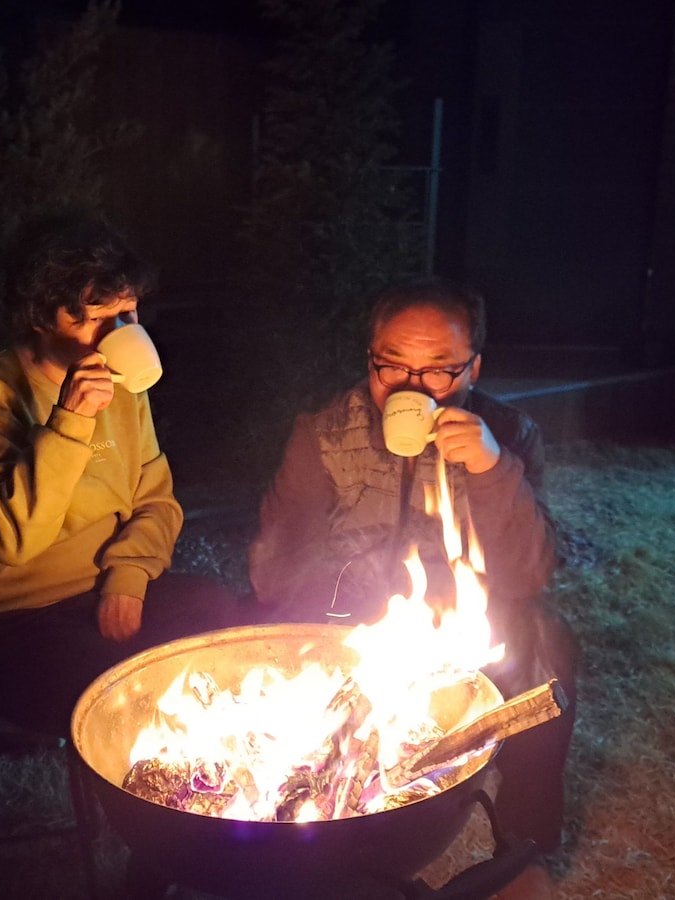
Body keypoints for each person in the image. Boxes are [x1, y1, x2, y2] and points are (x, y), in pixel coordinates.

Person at [247, 278, 578, 889]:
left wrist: (489, 467)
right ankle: (314, 829)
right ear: (369, 357)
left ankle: (526, 846)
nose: (410, 388)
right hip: (349, 617)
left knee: (549, 649)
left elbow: (528, 573)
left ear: (474, 367)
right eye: (391, 366)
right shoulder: (323, 433)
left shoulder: (508, 435)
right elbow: (275, 570)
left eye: (438, 372)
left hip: (465, 624)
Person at [0, 212, 240, 737]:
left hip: (106, 592)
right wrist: (70, 423)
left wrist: (130, 578)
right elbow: (5, 543)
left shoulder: (125, 387)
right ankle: (145, 805)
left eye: (129, 314)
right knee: (115, 698)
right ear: (43, 317)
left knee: (223, 627)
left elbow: (156, 501)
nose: (119, 335)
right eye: (97, 319)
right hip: (8, 621)